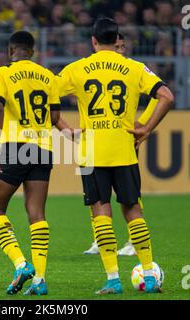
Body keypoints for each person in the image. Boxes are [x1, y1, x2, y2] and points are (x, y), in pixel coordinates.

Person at [57, 18, 174, 294]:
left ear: (94, 41)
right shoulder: (134, 67)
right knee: (133, 210)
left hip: (91, 153)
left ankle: (113, 279)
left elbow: (49, 96)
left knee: (100, 212)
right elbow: (167, 96)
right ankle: (149, 274)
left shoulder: (77, 69)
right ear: (117, 40)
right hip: (124, 150)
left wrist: (65, 129)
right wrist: (145, 129)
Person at [0, 31, 60, 296]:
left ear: (10, 50)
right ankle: (40, 279)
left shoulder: (1, 74)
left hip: (14, 148)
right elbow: (54, 115)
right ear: (33, 51)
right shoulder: (48, 76)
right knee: (37, 214)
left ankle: (21, 264)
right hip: (43, 148)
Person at [84, 33, 158, 256]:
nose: (121, 50)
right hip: (96, 139)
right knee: (96, 197)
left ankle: (133, 241)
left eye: (123, 46)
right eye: (117, 46)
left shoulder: (130, 69)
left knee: (128, 196)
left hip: (121, 138)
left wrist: (142, 123)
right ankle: (101, 237)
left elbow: (158, 97)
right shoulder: (94, 69)